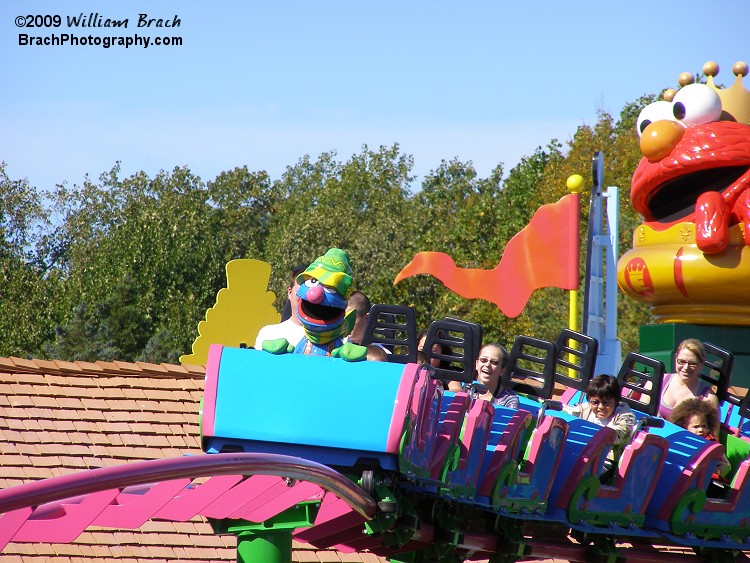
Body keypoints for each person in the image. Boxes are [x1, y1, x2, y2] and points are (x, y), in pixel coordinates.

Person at [566, 374, 636, 460]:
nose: (601, 407)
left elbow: (619, 434)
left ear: (616, 401)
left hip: (606, 461)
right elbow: (568, 415)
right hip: (582, 454)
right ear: (590, 401)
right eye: (595, 402)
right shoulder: (585, 409)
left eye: (606, 402)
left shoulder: (625, 417)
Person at [658, 338, 720, 434]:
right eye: (681, 361)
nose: (686, 368)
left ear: (702, 364)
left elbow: (713, 441)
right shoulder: (658, 381)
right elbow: (640, 413)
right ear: (675, 358)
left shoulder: (709, 399)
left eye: (692, 363)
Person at [670, 398, 730, 481]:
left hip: (705, 479)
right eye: (696, 427)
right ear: (684, 427)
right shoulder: (682, 440)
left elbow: (726, 464)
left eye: (704, 426)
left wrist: (723, 468)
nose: (701, 430)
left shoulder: (711, 441)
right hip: (682, 475)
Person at [254, 265, 307, 350]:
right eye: (303, 287)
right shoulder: (269, 333)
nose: (307, 295)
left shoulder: (330, 340)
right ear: (290, 292)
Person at [474, 343, 518, 409]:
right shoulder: (466, 389)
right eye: (483, 360)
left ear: (502, 370)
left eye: (494, 362)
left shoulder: (509, 400)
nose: (487, 365)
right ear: (477, 364)